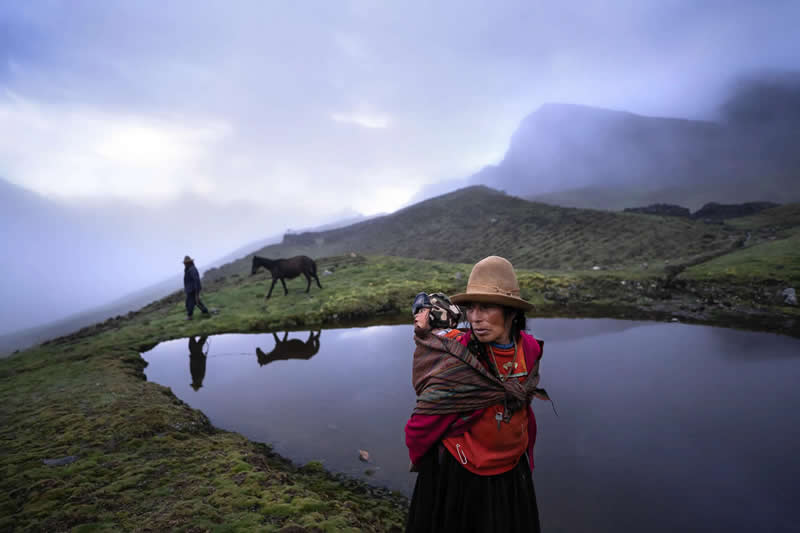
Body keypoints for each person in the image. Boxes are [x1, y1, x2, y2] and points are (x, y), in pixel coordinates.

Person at [405, 256, 546, 533]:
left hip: (510, 470)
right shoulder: (457, 355)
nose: (476, 317)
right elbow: (421, 424)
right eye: (471, 308)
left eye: (487, 307)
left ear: (511, 311)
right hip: (460, 475)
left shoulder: (529, 350)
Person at [183, 255, 210, 320]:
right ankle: (205, 311)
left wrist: (197, 291)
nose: (185, 264)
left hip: (193, 289)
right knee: (196, 301)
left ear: (189, 262)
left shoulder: (192, 269)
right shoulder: (188, 269)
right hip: (190, 289)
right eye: (184, 263)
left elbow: (196, 280)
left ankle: (190, 316)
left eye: (186, 263)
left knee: (189, 303)